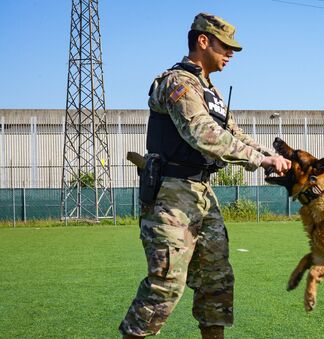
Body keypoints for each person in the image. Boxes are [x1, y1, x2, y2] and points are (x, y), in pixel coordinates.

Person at [119, 12, 290, 339]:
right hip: (170, 196)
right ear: (203, 41)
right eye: (225, 46)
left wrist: (272, 157)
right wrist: (260, 161)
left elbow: (233, 133)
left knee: (217, 282)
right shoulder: (178, 82)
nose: (231, 54)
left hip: (201, 194)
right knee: (165, 285)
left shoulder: (210, 91)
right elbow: (202, 133)